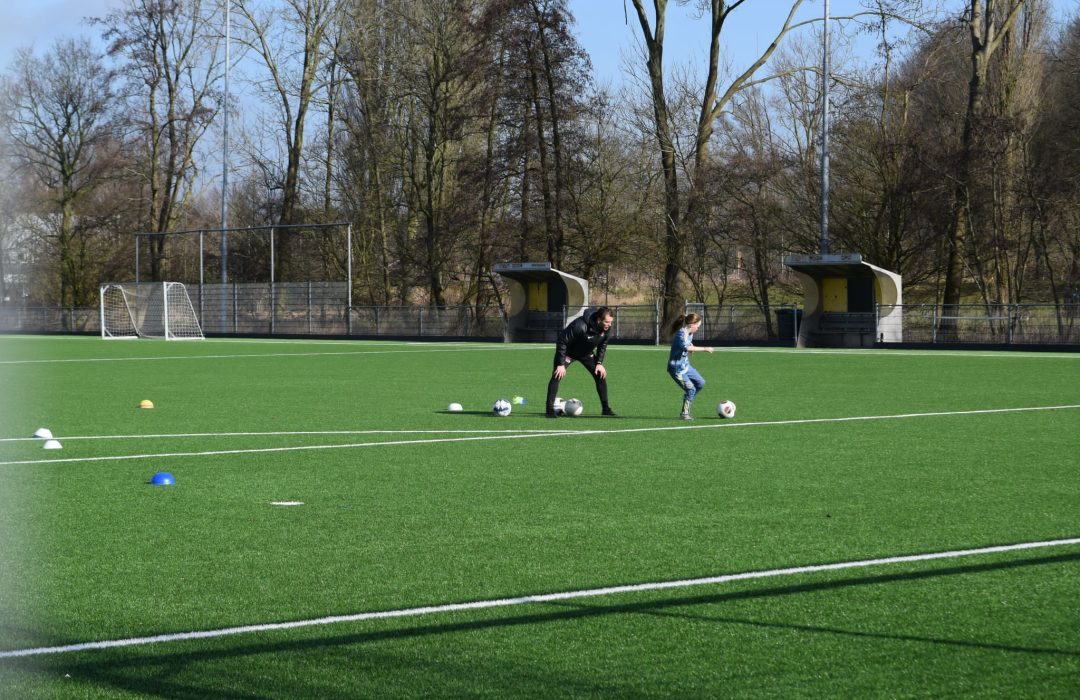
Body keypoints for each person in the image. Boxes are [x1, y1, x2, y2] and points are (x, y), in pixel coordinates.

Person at [546, 307, 617, 417]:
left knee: (600, 375)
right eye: (607, 322)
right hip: (568, 353)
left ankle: (606, 409)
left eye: (611, 322)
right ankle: (549, 410)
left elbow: (602, 345)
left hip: (586, 353)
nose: (609, 325)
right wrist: (560, 364)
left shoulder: (606, 328)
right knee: (557, 375)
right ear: (599, 320)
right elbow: (562, 341)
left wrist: (599, 363)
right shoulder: (580, 325)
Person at [667, 312, 713, 420]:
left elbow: (688, 345)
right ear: (691, 325)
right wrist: (705, 349)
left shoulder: (690, 334)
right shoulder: (680, 335)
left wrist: (692, 346)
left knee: (701, 383)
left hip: (686, 367)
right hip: (676, 370)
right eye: (698, 326)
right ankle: (684, 414)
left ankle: (688, 398)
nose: (698, 328)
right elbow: (686, 347)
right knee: (691, 390)